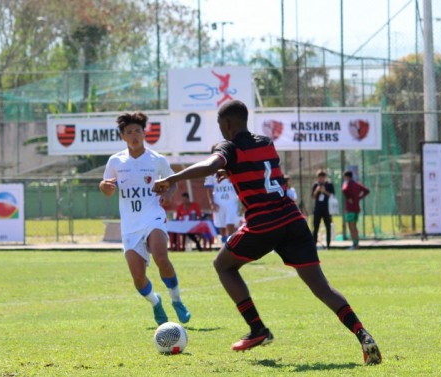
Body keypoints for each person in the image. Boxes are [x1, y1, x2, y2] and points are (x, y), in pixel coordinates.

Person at [152, 100, 381, 365]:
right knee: (322, 287)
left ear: (226, 124)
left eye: (220, 125)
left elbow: (211, 164)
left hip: (264, 223)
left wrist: (171, 179)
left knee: (223, 265)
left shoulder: (229, 147)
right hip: (293, 220)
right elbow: (257, 168)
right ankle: (362, 334)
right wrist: (231, 170)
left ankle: (258, 328)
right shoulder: (266, 143)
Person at [99, 111, 191, 326]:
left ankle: (176, 300)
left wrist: (168, 194)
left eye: (137, 131)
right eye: (129, 132)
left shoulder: (156, 160)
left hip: (153, 218)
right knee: (138, 279)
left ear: (144, 133)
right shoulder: (115, 161)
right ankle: (156, 302)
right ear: (122, 136)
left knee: (160, 255)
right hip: (130, 226)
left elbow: (173, 182)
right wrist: (104, 186)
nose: (134, 135)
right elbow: (107, 188)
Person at [205, 145, 240, 244]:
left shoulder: (231, 166)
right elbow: (208, 187)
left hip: (232, 201)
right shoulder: (210, 170)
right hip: (218, 201)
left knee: (230, 224)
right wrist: (211, 203)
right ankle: (224, 244)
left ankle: (233, 244)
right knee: (221, 225)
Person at [341, 170, 370, 249]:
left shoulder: (347, 183)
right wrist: (359, 197)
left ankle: (355, 244)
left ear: (346, 177)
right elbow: (367, 191)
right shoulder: (357, 184)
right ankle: (356, 243)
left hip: (350, 208)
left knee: (351, 227)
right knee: (354, 226)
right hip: (356, 208)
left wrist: (348, 197)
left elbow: (344, 189)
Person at [311, 169, 335, 249]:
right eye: (319, 177)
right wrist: (317, 190)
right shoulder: (315, 185)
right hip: (318, 209)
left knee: (328, 227)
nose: (321, 179)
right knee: (316, 227)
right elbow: (313, 197)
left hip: (327, 209)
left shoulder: (329, 185)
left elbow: (332, 195)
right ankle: (314, 245)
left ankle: (328, 245)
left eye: (322, 177)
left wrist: (324, 191)